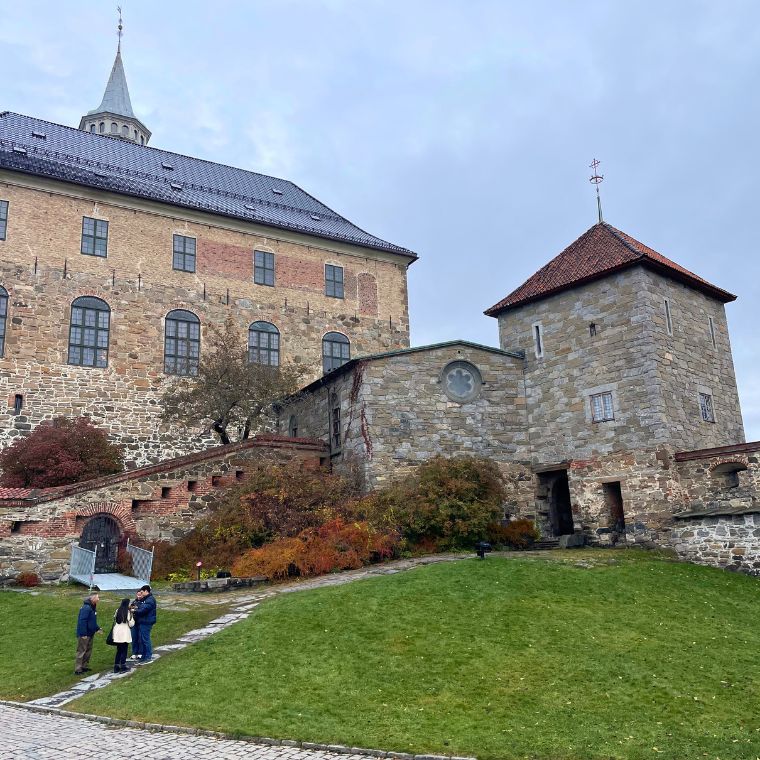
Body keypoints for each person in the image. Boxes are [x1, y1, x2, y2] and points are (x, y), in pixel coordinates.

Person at [74, 593, 102, 675]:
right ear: (92, 598)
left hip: (90, 633)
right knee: (81, 651)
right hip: (85, 634)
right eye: (97, 597)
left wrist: (97, 628)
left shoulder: (92, 608)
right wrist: (83, 634)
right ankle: (78, 669)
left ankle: (84, 666)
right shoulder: (86, 608)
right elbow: (82, 621)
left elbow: (92, 621)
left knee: (88, 650)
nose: (98, 599)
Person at [134, 584, 157, 662]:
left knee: (146, 639)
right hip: (144, 621)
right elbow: (142, 607)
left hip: (146, 622)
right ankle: (144, 655)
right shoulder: (146, 599)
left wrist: (135, 611)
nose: (141, 593)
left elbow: (143, 610)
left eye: (142, 592)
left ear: (146, 591)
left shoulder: (149, 600)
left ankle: (148, 656)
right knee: (143, 640)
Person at [112, 598, 134, 673]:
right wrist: (132, 616)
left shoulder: (117, 610)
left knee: (119, 649)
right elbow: (131, 624)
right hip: (124, 631)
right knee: (124, 649)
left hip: (117, 631)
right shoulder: (127, 612)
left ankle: (116, 665)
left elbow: (115, 618)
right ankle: (123, 665)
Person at [128, 592, 142, 661]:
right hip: (133, 622)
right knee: (134, 637)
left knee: (140, 638)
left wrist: (136, 610)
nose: (139, 596)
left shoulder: (143, 602)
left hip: (140, 622)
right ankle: (134, 652)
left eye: (140, 595)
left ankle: (140, 652)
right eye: (138, 595)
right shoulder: (134, 602)